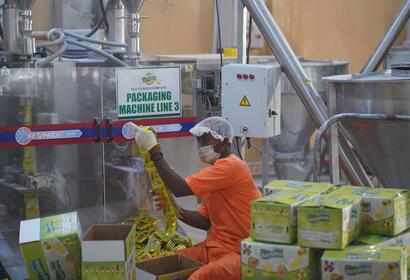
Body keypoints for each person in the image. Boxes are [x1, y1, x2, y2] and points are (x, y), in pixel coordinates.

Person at [130, 116, 261, 280]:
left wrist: (153, 150)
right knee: (170, 264)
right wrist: (172, 208)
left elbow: (180, 189)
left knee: (196, 278)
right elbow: (205, 221)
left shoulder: (232, 166)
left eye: (206, 140)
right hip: (214, 247)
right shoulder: (216, 174)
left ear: (224, 141)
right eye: (199, 141)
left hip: (239, 253)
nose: (201, 146)